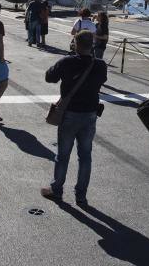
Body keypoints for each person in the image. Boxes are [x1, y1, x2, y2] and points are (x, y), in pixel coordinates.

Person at [40, 30, 107, 205]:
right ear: (91, 45)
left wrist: (68, 63)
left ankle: (57, 189)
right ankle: (81, 195)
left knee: (63, 155)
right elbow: (102, 80)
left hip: (69, 114)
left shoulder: (67, 62)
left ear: (76, 44)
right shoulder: (100, 65)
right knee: (85, 156)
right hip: (90, 115)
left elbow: (49, 77)